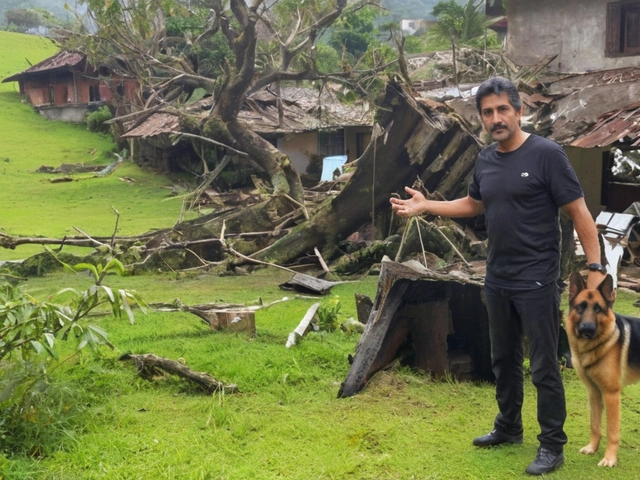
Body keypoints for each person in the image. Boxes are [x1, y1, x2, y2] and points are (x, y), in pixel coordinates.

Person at [390, 76, 605, 476]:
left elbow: (580, 215)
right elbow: (473, 204)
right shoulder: (486, 159)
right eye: (488, 112)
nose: (495, 118)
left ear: (519, 110)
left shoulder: (547, 155)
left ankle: (552, 445)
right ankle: (508, 427)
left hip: (537, 279)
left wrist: (595, 269)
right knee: (502, 358)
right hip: (498, 276)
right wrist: (427, 205)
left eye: (503, 109)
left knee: (542, 364)